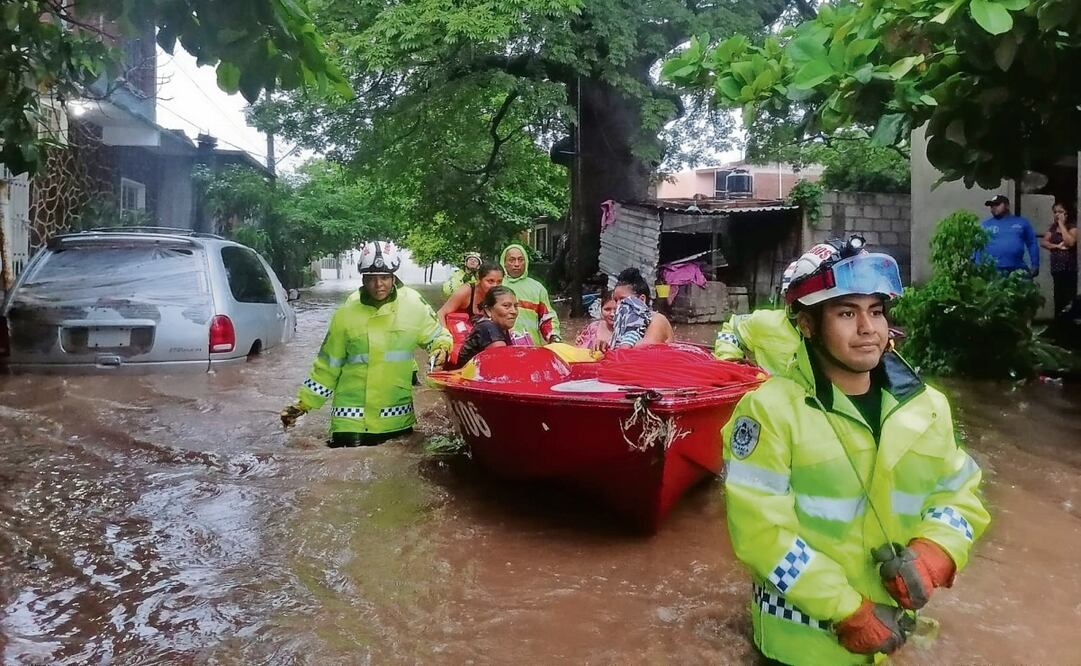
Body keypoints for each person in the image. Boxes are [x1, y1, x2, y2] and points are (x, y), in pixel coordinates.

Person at [721, 240, 989, 665]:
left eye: (876, 311)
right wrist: (848, 611)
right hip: (801, 647)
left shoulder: (927, 405)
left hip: (888, 638)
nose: (868, 328)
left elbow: (958, 494)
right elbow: (762, 534)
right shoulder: (768, 412)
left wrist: (937, 552)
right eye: (847, 313)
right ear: (807, 325)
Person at [280, 241, 452, 448]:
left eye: (385, 277)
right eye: (372, 278)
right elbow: (326, 366)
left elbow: (436, 335)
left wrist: (441, 348)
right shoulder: (345, 315)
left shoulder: (414, 307)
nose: (379, 284)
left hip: (396, 418)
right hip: (349, 422)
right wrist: (303, 404)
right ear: (363, 279)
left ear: (394, 277)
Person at [714, 259, 801, 374]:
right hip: (771, 389)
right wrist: (729, 364)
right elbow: (732, 329)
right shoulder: (768, 323)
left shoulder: (828, 332)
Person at [500, 243, 562, 345]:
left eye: (520, 260)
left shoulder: (537, 288)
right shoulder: (496, 285)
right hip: (501, 347)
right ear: (504, 263)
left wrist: (554, 337)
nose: (516, 264)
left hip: (531, 348)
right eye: (512, 260)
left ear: (526, 262)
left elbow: (547, 318)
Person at [453, 286, 518, 368]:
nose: (514, 311)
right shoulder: (488, 328)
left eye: (516, 306)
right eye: (506, 306)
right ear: (488, 310)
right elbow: (502, 365)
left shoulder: (501, 328)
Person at [607, 268, 673, 349]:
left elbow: (644, 350)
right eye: (616, 300)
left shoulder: (657, 320)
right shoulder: (622, 323)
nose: (617, 305)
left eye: (623, 299)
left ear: (641, 299)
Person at [977, 194, 1039, 277]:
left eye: (997, 204)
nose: (993, 207)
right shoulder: (985, 225)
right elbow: (977, 246)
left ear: (1007, 206)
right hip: (992, 270)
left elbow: (1032, 243)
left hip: (1017, 269)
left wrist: (1035, 264)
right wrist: (977, 265)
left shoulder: (1022, 222)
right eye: (991, 206)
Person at [436, 262, 504, 329]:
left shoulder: (499, 295)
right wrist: (446, 336)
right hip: (458, 334)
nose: (495, 286)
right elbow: (441, 313)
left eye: (499, 282)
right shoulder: (465, 292)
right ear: (478, 278)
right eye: (490, 281)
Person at [1039, 201, 1078, 317]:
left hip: (1069, 268)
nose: (1057, 215)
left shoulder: (1072, 227)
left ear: (1066, 214)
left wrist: (1061, 224)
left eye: (1060, 212)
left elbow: (1069, 242)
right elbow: (1044, 242)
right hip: (1056, 268)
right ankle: (1059, 323)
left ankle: (1069, 324)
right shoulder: (1052, 228)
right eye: (1055, 212)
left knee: (1069, 298)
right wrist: (1056, 246)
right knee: (1058, 297)